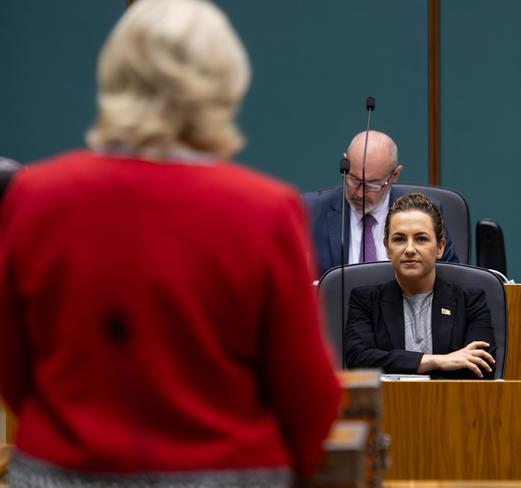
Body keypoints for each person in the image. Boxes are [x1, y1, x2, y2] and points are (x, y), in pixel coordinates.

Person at [0, 1, 340, 486]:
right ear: (225, 87)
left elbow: (13, 368)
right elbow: (308, 395)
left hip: (64, 471)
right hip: (227, 473)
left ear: (113, 78)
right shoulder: (264, 209)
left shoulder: (35, 196)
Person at [344, 193, 496, 379]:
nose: (409, 249)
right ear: (387, 248)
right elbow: (358, 360)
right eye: (399, 239)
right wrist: (438, 361)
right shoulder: (365, 300)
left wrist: (394, 367)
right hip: (387, 406)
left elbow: (481, 367)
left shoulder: (470, 301)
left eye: (421, 239)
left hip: (453, 405)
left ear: (440, 247)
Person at [303, 130, 459, 279]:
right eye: (353, 180)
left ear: (395, 175)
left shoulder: (425, 213)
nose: (360, 193)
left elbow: (451, 281)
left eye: (372, 185)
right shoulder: (310, 210)